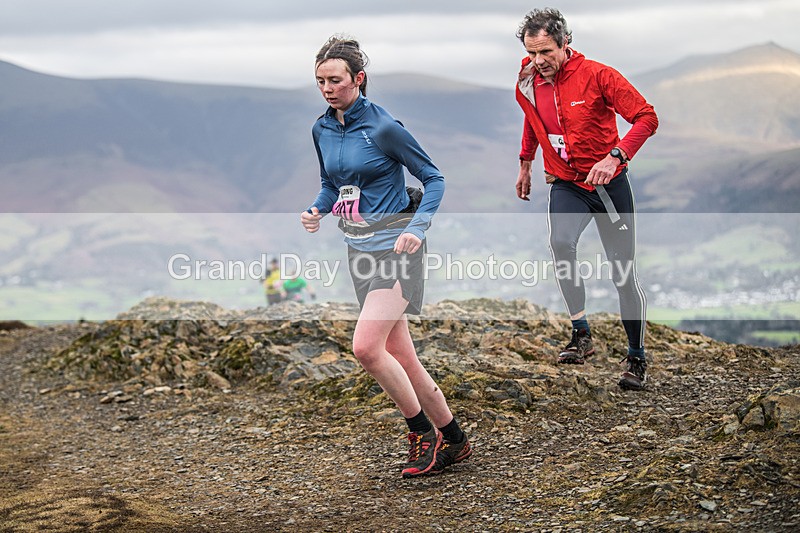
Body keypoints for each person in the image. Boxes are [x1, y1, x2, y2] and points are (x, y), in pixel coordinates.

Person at [300, 35, 471, 477]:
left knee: (366, 348)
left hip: (398, 247)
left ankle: (421, 433)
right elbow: (331, 182)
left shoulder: (383, 127)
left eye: (335, 80)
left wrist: (417, 227)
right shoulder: (321, 128)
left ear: (359, 79)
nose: (327, 89)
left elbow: (433, 178)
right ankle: (454, 439)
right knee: (402, 354)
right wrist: (318, 208)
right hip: (358, 249)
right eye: (320, 81)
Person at [514, 9, 658, 391]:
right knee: (561, 243)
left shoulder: (598, 75)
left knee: (622, 272)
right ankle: (581, 334)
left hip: (609, 187)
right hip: (568, 183)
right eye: (531, 53)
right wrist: (525, 163)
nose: (538, 61)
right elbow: (533, 119)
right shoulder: (528, 81)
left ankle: (636, 356)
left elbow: (646, 117)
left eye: (545, 51)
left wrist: (617, 156)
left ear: (565, 43)